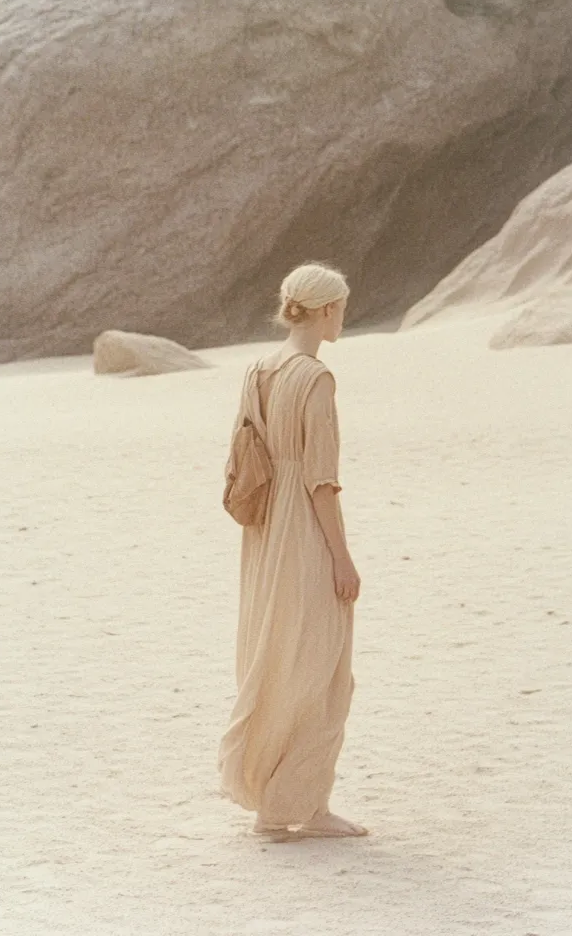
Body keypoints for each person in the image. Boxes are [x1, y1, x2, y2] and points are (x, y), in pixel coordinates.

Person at [218, 263, 367, 840]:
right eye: (342, 308)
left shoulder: (258, 369)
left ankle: (278, 801)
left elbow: (245, 456)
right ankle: (302, 806)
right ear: (326, 310)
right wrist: (342, 558)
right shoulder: (316, 379)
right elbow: (320, 482)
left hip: (262, 537)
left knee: (276, 657)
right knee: (325, 668)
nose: (343, 318)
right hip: (302, 533)